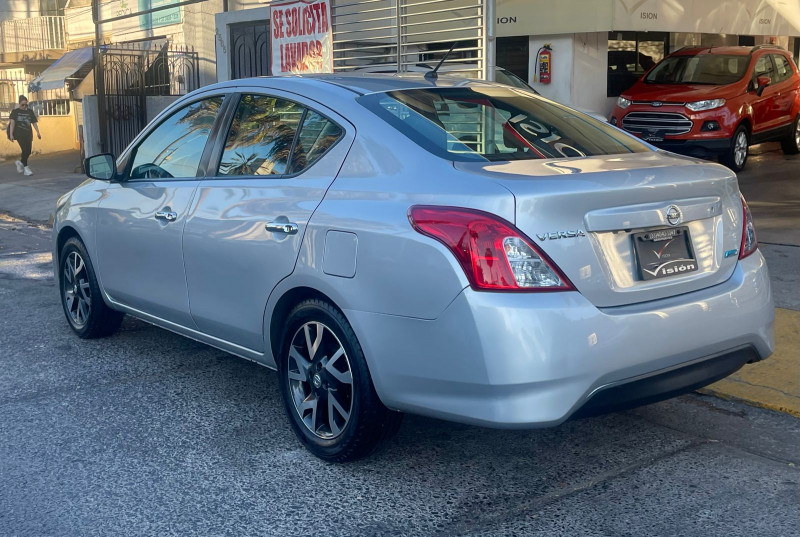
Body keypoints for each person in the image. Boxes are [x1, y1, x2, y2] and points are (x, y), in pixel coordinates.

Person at [9, 95, 41, 176]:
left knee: (28, 151)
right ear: (19, 104)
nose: (24, 106)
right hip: (19, 134)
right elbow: (12, 123)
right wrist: (11, 134)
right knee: (24, 149)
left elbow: (34, 123)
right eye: (22, 105)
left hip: (28, 134)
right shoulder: (15, 112)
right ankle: (26, 169)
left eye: (26, 105)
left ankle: (20, 163)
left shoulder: (30, 112)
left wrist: (38, 132)